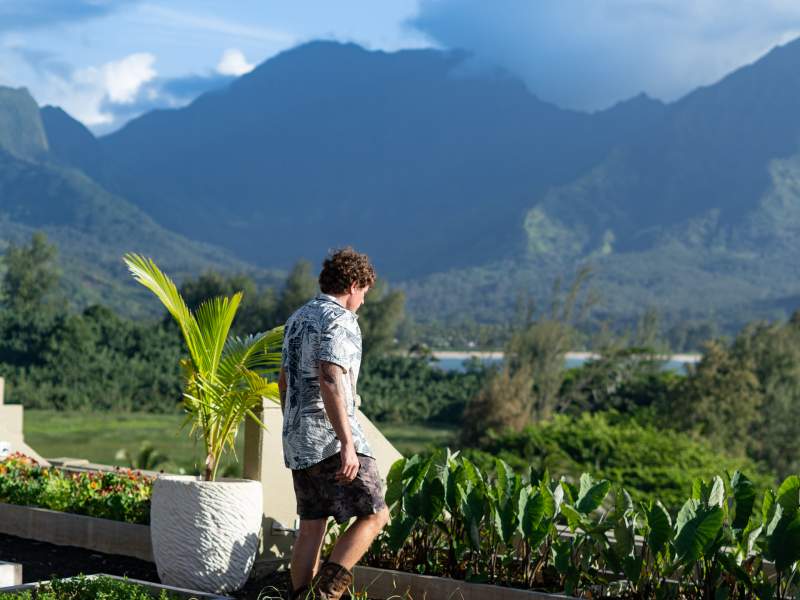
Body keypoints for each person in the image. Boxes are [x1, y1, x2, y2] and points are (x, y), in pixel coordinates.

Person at [278, 247, 390, 600]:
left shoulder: (297, 318)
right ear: (353, 285)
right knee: (375, 515)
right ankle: (323, 596)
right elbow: (330, 376)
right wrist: (346, 442)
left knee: (312, 526)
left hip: (297, 439)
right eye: (364, 294)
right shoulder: (340, 319)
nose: (363, 302)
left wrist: (295, 425)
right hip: (329, 438)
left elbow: (283, 382)